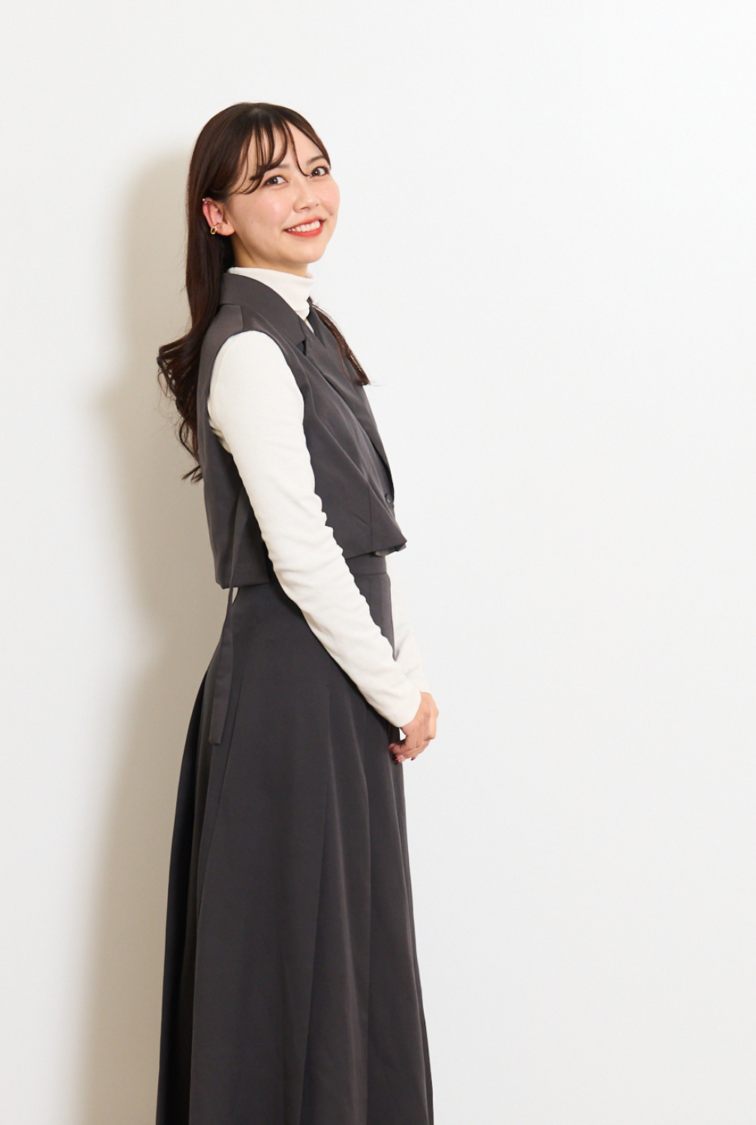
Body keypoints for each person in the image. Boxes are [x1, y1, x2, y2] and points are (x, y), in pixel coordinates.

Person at [154, 102, 438, 1125]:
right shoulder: (248, 348)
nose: (306, 195)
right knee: (290, 973)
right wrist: (399, 692)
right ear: (217, 213)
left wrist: (396, 679)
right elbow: (305, 554)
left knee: (344, 961)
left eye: (315, 169)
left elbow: (356, 547)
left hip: (331, 684)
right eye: (271, 180)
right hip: (293, 687)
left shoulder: (306, 333)